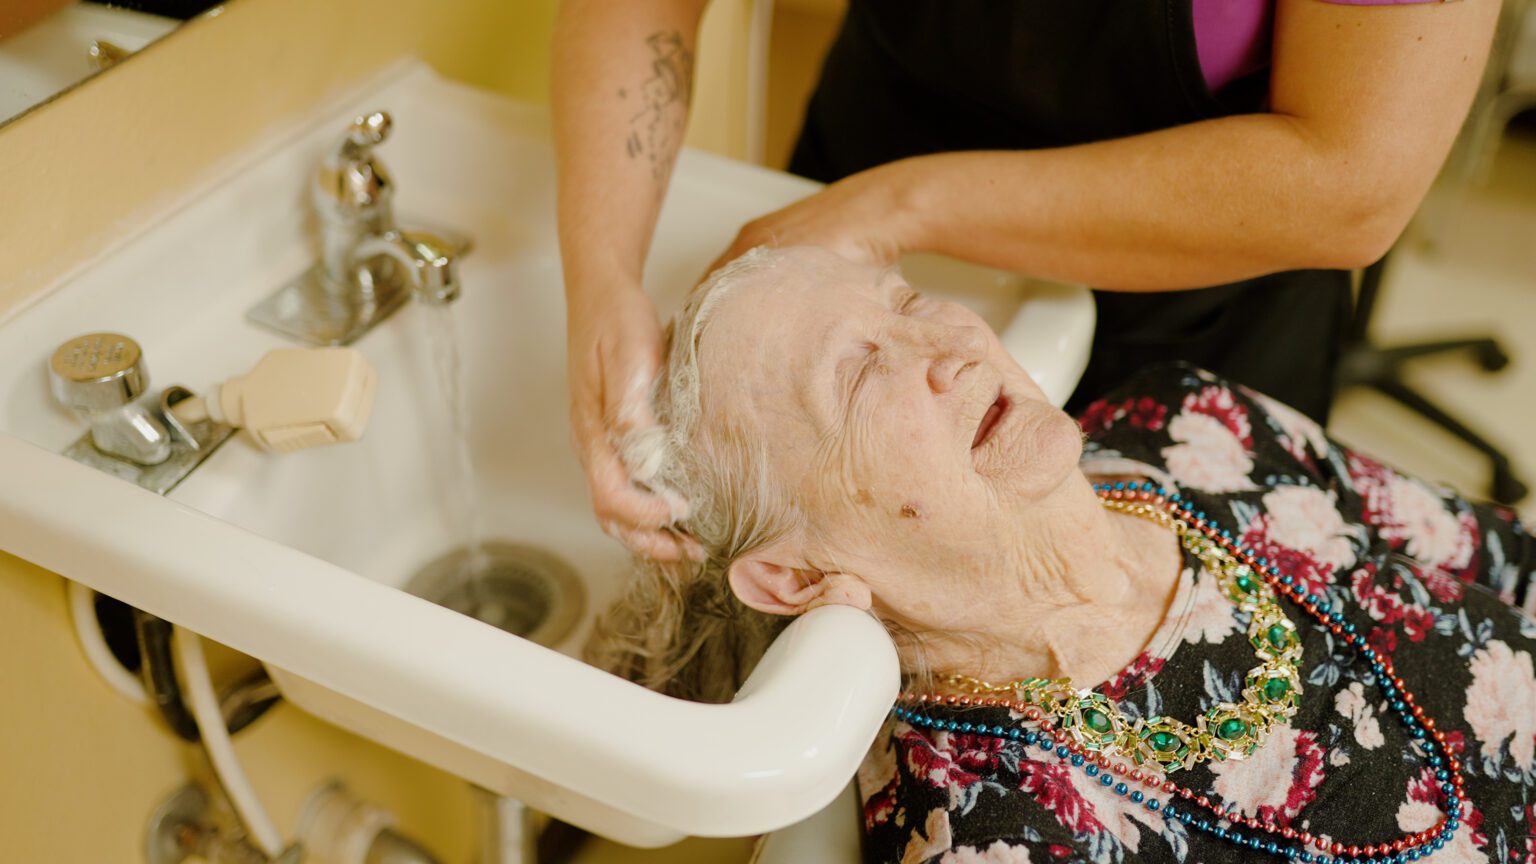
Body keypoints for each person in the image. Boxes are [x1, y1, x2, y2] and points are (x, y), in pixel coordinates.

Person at [583, 245, 1536, 863]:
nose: (950, 342)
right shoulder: (1000, 834)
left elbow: (1505, 559)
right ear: (795, 576)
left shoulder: (1190, 423)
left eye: (910, 298)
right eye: (862, 372)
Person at [552, 0, 1502, 563]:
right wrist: (603, 281)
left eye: (918, 313)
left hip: (1200, 288)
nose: (953, 350)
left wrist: (899, 212)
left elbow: (1352, 181)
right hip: (870, 158)